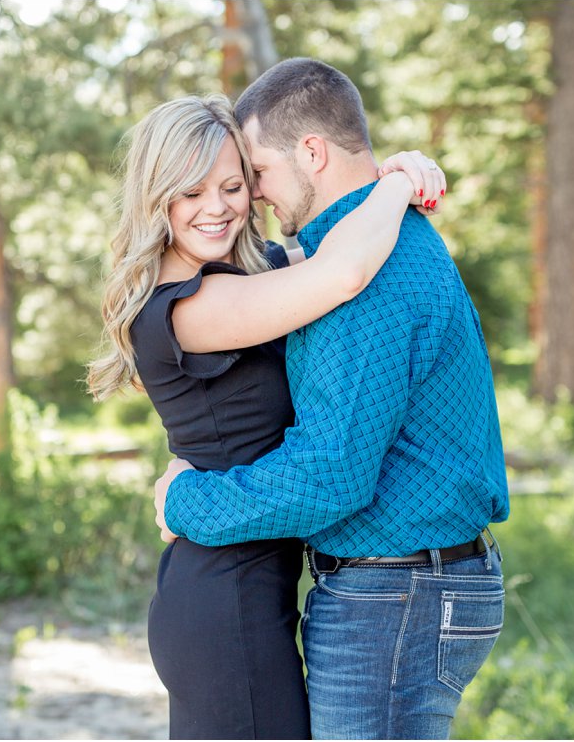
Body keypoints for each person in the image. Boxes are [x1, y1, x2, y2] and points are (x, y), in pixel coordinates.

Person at [154, 58, 510, 740]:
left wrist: (184, 499)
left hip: (395, 595)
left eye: (256, 172)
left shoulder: (360, 276)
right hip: (412, 584)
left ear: (311, 152)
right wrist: (398, 179)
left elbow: (329, 476)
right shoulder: (374, 240)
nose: (253, 196)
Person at [87, 93, 445, 740]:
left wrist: (389, 175)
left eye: (232, 185)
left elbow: (338, 252)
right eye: (191, 191)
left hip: (248, 589)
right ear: (155, 195)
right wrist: (393, 187)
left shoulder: (244, 280)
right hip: (224, 603)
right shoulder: (183, 308)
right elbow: (341, 274)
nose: (217, 206)